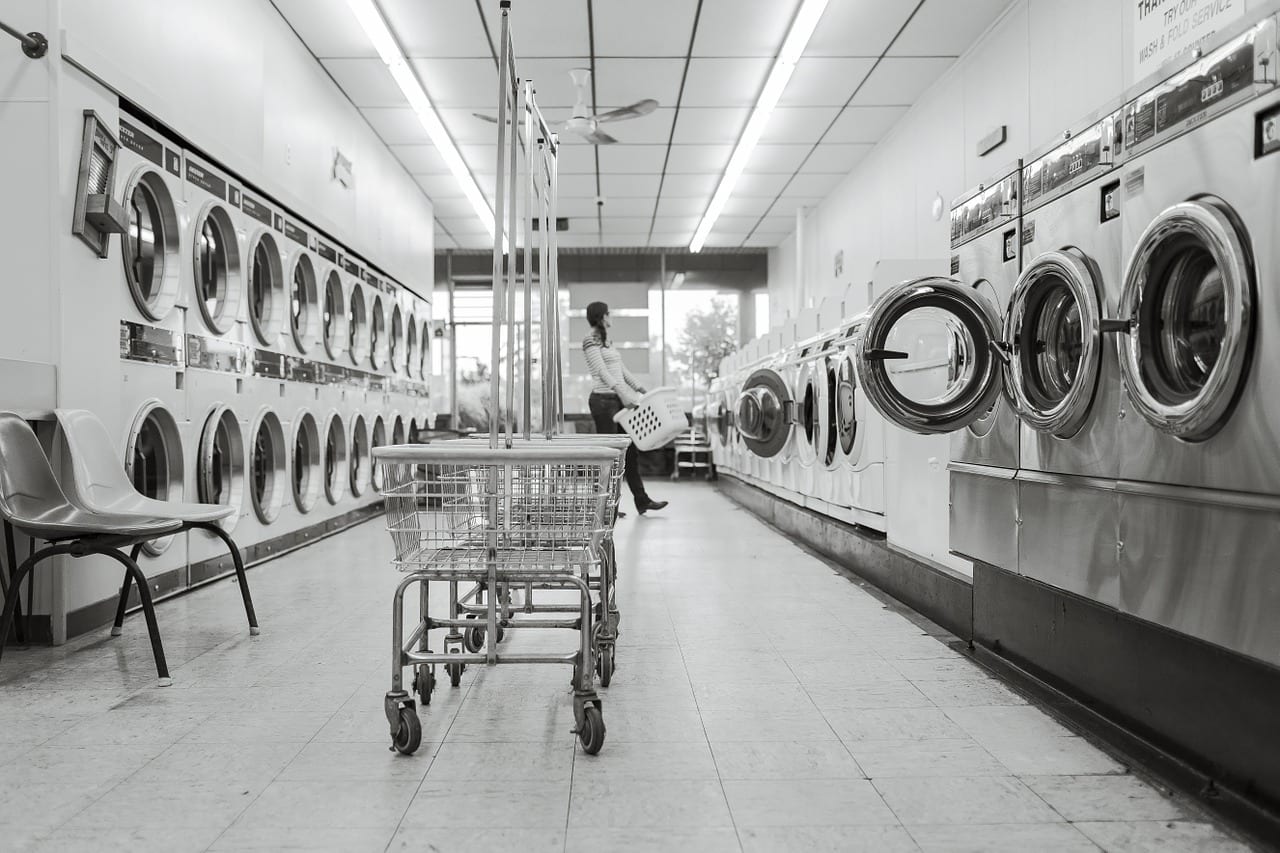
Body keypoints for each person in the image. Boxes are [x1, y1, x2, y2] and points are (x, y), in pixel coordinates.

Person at [583, 301, 668, 516]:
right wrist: (622, 393)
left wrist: (641, 389)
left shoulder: (607, 342)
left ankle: (642, 500)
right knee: (609, 456)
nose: (611, 316)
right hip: (603, 402)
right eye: (608, 313)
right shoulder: (590, 340)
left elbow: (621, 370)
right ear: (602, 316)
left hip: (617, 401)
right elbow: (602, 371)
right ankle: (605, 508)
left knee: (630, 453)